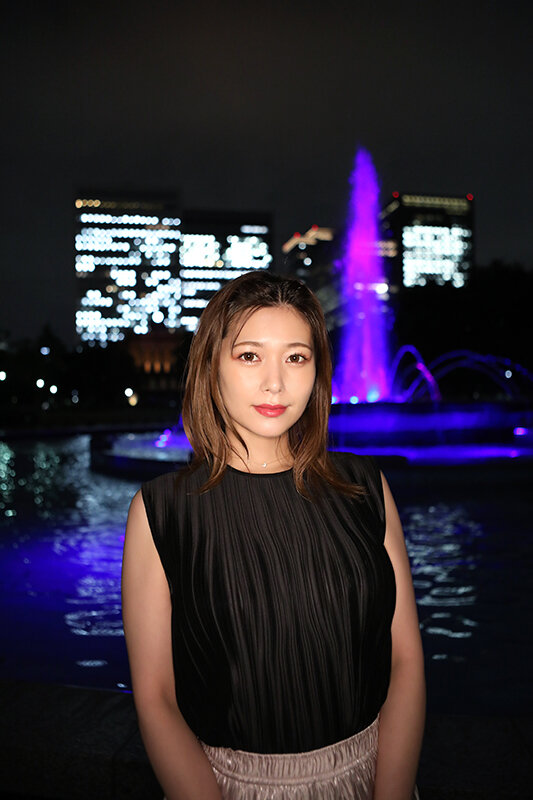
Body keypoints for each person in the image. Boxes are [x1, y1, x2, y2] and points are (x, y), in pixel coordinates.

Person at [121, 271, 425, 800]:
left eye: (296, 357)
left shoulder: (365, 487)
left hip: (369, 776)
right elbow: (156, 699)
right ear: (212, 365)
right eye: (249, 356)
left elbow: (406, 661)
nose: (275, 384)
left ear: (317, 370)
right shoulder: (162, 511)